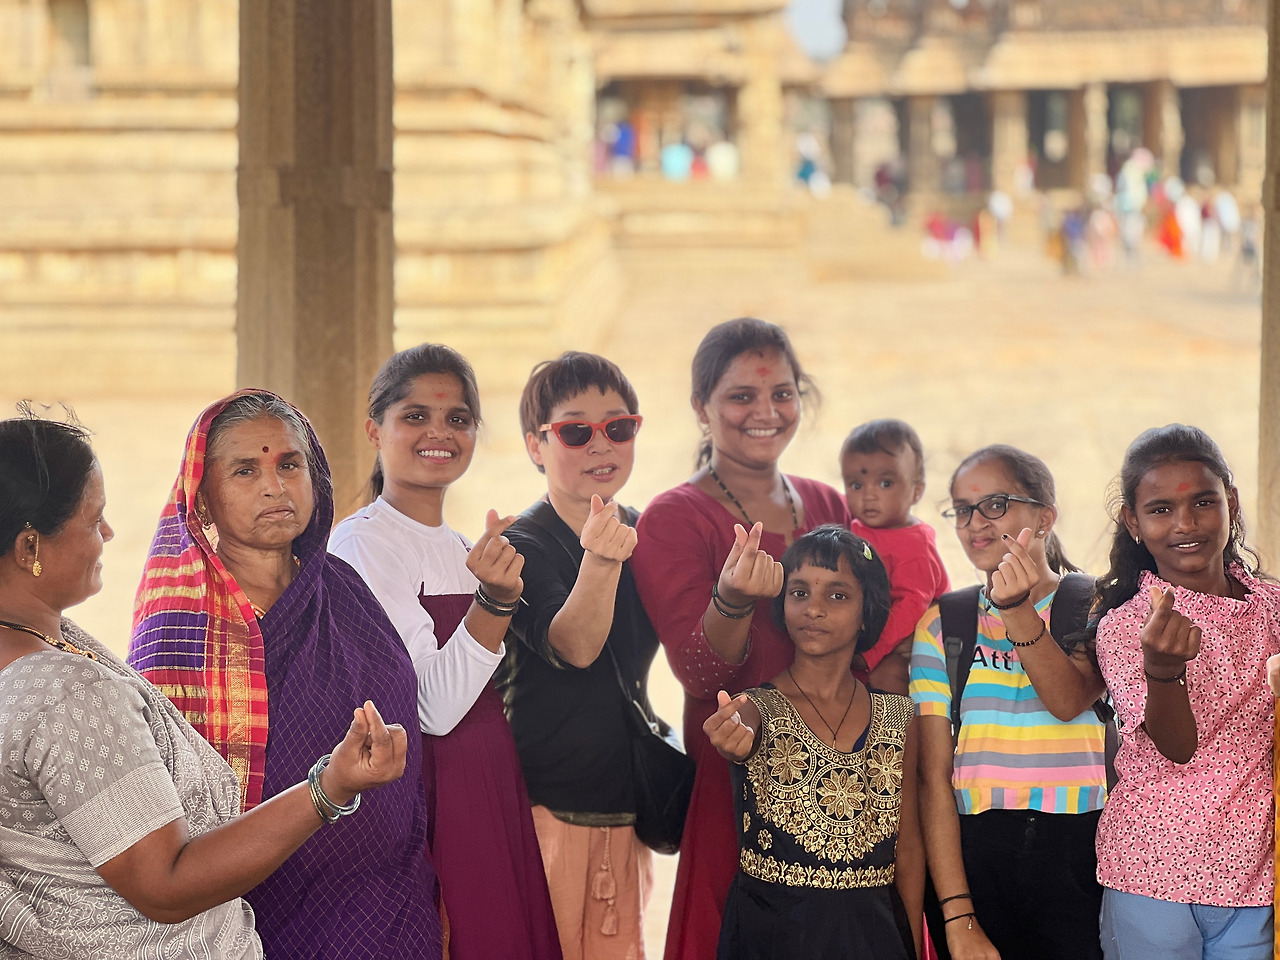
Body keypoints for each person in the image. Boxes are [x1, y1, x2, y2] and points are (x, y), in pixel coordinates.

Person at [0, 413, 409, 959]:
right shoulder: (66, 694)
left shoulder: (53, 644)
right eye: (93, 520)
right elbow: (165, 886)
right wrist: (328, 787)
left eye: (291, 465)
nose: (109, 534)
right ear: (30, 548)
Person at [129, 390, 442, 960]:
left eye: (290, 464)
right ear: (203, 497)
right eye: (245, 470)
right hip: (257, 921)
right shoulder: (180, 630)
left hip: (389, 908)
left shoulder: (344, 588)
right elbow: (163, 819)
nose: (275, 486)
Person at [329, 344, 562, 960]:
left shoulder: (462, 546)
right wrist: (495, 602)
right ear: (375, 429)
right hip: (427, 791)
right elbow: (432, 708)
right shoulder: (364, 545)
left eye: (457, 419)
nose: (439, 432)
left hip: (486, 778)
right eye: (416, 416)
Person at [630, 317, 851, 960]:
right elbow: (700, 675)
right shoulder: (675, 518)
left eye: (782, 393)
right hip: (737, 782)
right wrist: (732, 600)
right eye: (741, 396)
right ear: (702, 407)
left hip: (844, 777)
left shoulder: (829, 506)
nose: (766, 412)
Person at [910, 445, 1107, 960]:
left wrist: (1016, 608)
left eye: (995, 504)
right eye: (962, 509)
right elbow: (935, 780)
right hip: (976, 856)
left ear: (1044, 519)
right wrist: (958, 916)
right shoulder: (944, 625)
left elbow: (1068, 700)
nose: (975, 522)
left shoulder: (1095, 607)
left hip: (1077, 853)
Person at [1090, 425, 1279, 960]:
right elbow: (1177, 748)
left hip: (1254, 874)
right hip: (1153, 872)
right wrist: (1163, 671)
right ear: (1132, 522)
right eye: (1160, 510)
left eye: (1203, 502)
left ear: (1231, 502)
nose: (1186, 524)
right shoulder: (1126, 626)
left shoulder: (1272, 610)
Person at [497, 352, 658, 960]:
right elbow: (576, 646)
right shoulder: (521, 543)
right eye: (574, 431)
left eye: (618, 427)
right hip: (545, 806)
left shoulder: (648, 531)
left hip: (626, 802)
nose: (600, 444)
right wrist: (600, 561)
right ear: (536, 446)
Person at [704, 525, 922, 960]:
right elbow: (739, 731)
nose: (814, 609)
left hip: (872, 938)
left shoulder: (899, 717)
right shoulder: (757, 708)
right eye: (799, 593)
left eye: (837, 595)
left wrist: (911, 943)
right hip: (772, 937)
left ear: (867, 612)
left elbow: (909, 846)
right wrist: (732, 736)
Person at [839, 418, 950, 695]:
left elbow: (911, 607)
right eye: (856, 485)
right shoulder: (857, 528)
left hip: (909, 637)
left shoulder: (914, 545)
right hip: (873, 629)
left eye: (885, 483)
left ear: (916, 491)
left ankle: (900, 725)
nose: (869, 495)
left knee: (889, 677)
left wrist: (871, 652)